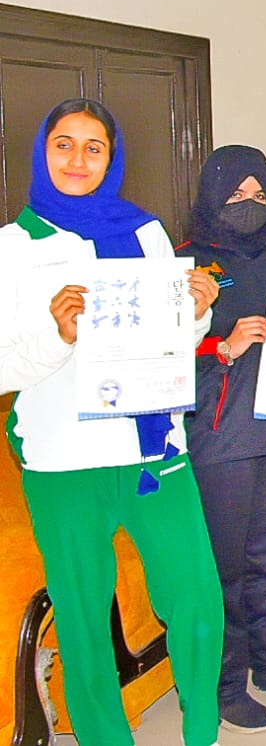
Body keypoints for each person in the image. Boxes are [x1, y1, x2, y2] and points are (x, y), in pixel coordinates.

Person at [0, 99, 224, 746]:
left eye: (93, 147)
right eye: (63, 144)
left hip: (153, 450)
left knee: (197, 601)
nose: (77, 159)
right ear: (42, 152)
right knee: (82, 620)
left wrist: (199, 311)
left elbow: (168, 341)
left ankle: (202, 730)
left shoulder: (147, 232)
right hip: (64, 463)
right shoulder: (14, 248)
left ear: (112, 157)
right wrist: (58, 334)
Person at [181, 145, 266, 733]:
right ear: (213, 195)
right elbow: (157, 356)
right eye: (235, 195)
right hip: (222, 433)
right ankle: (225, 683)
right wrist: (223, 345)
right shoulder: (188, 262)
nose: (248, 205)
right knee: (227, 566)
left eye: (259, 194)